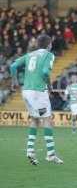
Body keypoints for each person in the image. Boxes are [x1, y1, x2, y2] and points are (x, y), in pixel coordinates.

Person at [10, 34, 63, 165]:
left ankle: (30, 150)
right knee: (47, 119)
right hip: (38, 92)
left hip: (26, 91)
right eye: (51, 43)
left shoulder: (30, 55)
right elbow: (45, 72)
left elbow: (13, 66)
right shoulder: (49, 55)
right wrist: (49, 85)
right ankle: (50, 154)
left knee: (35, 119)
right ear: (49, 44)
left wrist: (14, 81)